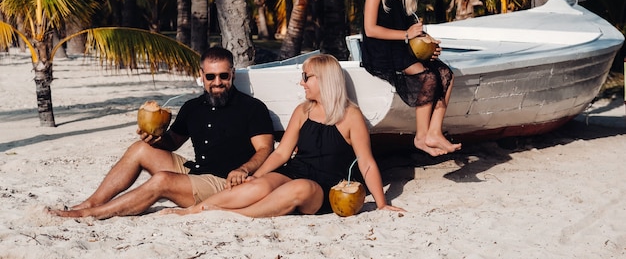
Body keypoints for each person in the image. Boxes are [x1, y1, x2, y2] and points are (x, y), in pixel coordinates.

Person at [161, 54, 405, 217]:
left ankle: (229, 213)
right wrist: (255, 175)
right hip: (294, 171)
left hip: (324, 186)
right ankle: (200, 208)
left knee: (299, 188)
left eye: (306, 77)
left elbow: (366, 162)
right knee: (261, 185)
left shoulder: (351, 116)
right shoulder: (303, 110)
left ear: (324, 80)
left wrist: (382, 203)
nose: (302, 83)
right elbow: (281, 153)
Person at [49, 47, 275, 220]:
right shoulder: (193, 107)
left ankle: (91, 215)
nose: (218, 83)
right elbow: (172, 142)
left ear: (233, 74)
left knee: (162, 180)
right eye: (211, 77)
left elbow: (265, 148)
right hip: (197, 171)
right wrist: (155, 140)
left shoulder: (251, 108)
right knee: (140, 149)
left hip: (224, 183)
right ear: (201, 74)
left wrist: (244, 169)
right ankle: (91, 203)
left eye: (223, 76)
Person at [361, 0, 461, 156]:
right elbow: (370, 29)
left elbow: (412, 31)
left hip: (401, 48)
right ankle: (421, 136)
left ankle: (434, 131)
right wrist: (406, 35)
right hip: (381, 52)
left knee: (446, 74)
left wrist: (428, 47)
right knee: (427, 77)